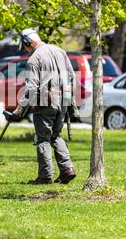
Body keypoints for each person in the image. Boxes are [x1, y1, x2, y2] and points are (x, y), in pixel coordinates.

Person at [4, 29, 78, 185]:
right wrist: (71, 102)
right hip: (63, 100)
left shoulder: (34, 59)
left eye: (24, 46)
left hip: (45, 101)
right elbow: (72, 78)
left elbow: (31, 89)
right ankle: (67, 170)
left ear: (27, 43)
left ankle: (45, 176)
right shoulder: (60, 51)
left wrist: (18, 111)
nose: (25, 50)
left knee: (42, 138)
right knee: (55, 136)